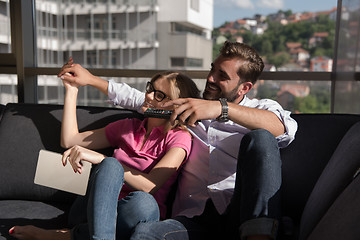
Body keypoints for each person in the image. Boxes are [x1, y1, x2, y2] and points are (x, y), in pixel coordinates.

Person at [57, 41, 298, 240]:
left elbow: (283, 128)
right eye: (212, 70)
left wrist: (219, 109)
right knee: (144, 233)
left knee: (261, 138)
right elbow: (141, 99)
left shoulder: (259, 110)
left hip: (237, 212)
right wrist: (90, 79)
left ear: (244, 87)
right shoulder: (187, 112)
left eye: (221, 76)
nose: (211, 79)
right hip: (193, 220)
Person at [9, 71, 201, 240]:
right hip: (91, 210)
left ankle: (68, 236)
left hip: (133, 216)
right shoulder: (128, 127)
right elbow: (70, 140)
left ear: (175, 106)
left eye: (159, 95)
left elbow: (150, 186)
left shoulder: (179, 139)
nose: (148, 96)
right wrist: (72, 91)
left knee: (143, 201)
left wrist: (102, 160)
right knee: (110, 167)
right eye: (150, 88)